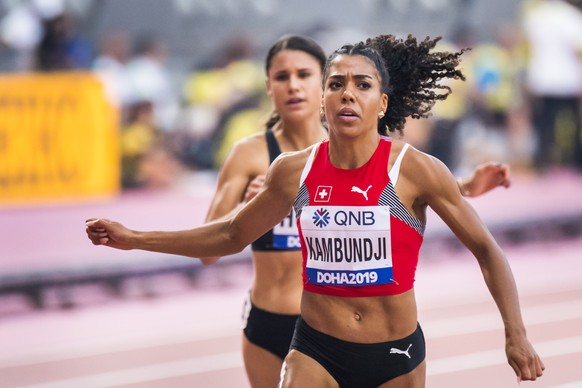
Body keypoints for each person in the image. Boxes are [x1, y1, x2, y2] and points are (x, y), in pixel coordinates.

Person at [86, 34, 541, 387]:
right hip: (315, 349)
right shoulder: (293, 171)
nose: (348, 94)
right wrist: (134, 238)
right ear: (323, 99)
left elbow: (486, 248)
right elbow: (228, 235)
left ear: (382, 104)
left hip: (394, 354)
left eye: (362, 85)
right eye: (336, 84)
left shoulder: (415, 170)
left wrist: (515, 333)